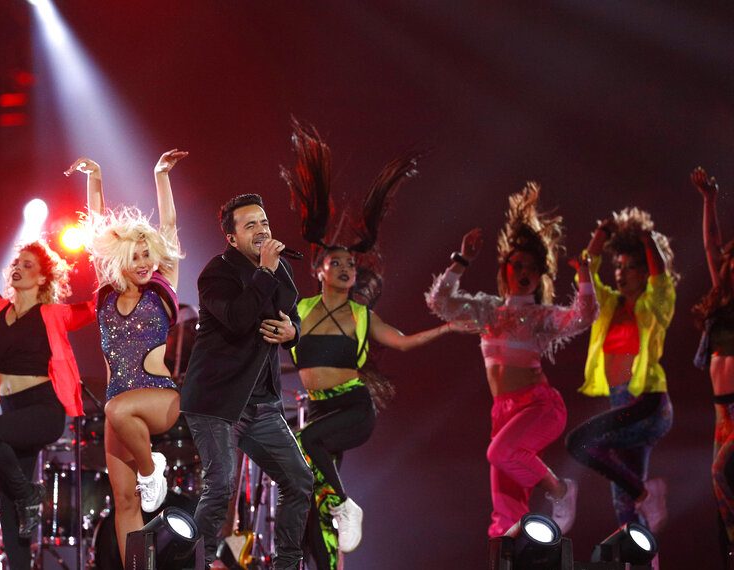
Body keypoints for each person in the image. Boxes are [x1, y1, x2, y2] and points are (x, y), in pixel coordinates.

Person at [280, 120, 475, 567]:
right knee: (312, 499)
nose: (347, 266)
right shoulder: (302, 308)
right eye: (337, 261)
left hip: (352, 410)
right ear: (319, 269)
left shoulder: (363, 316)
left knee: (306, 442)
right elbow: (276, 336)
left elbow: (403, 343)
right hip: (321, 407)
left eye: (352, 262)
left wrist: (446, 329)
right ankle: (326, 558)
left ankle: (348, 506)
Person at [425, 183, 598, 537]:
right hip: (503, 412)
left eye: (531, 268)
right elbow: (440, 303)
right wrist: (461, 261)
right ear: (504, 270)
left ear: (538, 277)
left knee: (499, 454)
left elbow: (583, 317)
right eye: (517, 264)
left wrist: (585, 277)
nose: (523, 271)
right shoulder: (487, 311)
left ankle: (560, 490)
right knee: (505, 517)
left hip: (540, 408)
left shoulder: (540, 316)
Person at [0, 226, 95, 569]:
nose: (18, 267)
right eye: (16, 262)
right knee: (8, 505)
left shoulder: (52, 313)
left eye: (28, 265)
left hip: (43, 410)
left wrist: (102, 256)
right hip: (12, 410)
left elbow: (95, 306)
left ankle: (29, 494)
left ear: (42, 279)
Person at [64, 149, 187, 564]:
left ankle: (153, 471)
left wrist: (160, 176)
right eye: (134, 256)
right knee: (124, 500)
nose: (142, 262)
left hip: (159, 398)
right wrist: (94, 178)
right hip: (120, 406)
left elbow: (169, 227)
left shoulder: (162, 288)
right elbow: (98, 225)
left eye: (146, 254)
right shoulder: (106, 294)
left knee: (115, 410)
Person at [181, 193, 313, 570]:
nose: (262, 230)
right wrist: (266, 272)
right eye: (250, 225)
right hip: (216, 402)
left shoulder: (278, 269)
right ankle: (197, 564)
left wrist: (294, 333)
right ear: (232, 237)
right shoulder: (216, 274)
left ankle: (288, 565)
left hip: (261, 402)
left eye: (265, 222)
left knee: (299, 481)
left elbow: (291, 315)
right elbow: (239, 319)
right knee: (220, 486)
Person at [564, 208, 676, 533]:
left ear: (644, 273)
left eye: (630, 267)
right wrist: (600, 236)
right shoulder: (609, 306)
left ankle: (645, 492)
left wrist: (645, 237)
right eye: (619, 266)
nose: (621, 273)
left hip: (647, 405)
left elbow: (661, 280)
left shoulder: (653, 307)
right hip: (621, 404)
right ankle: (641, 560)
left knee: (581, 443)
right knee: (624, 508)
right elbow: (589, 271)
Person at [690, 167, 734, 567]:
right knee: (721, 484)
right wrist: (709, 201)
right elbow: (711, 244)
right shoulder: (723, 301)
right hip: (721, 412)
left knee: (722, 472)